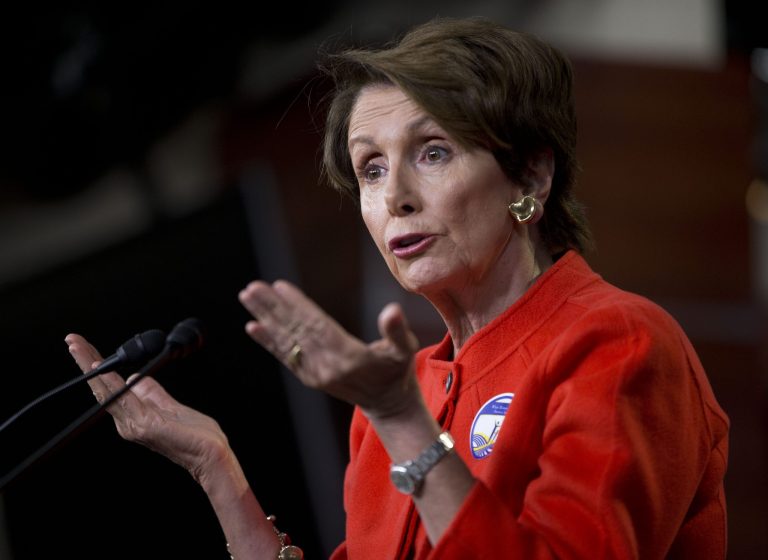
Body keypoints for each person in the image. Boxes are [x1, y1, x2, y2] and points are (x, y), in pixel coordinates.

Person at [64, 16, 730, 559]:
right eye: (371, 169)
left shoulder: (617, 341)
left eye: (433, 151)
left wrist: (402, 420)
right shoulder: (394, 397)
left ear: (530, 177)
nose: (395, 199)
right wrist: (216, 467)